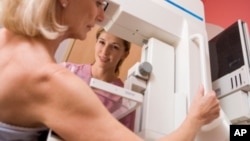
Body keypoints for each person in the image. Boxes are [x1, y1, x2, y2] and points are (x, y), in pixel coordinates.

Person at [0, 0, 220, 141]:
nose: (101, 16)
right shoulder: (53, 82)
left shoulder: (4, 39)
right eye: (98, 2)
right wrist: (196, 119)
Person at [61, 27, 136, 131]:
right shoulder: (67, 70)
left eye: (114, 47)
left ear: (124, 54)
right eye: (102, 42)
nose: (105, 51)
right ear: (96, 43)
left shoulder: (124, 99)